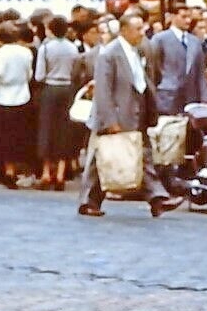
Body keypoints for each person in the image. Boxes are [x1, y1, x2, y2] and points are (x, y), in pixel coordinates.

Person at [76, 11, 184, 218]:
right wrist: (110, 120)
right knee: (102, 159)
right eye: (137, 29)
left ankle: (157, 198)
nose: (142, 33)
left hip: (137, 112)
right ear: (124, 30)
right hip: (117, 114)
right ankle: (89, 200)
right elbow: (103, 90)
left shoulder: (138, 51)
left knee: (142, 156)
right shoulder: (109, 54)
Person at [0, 23, 34, 189]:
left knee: (0, 136)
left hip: (1, 97)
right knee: (17, 136)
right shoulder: (25, 52)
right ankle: (13, 170)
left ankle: (1, 170)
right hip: (21, 96)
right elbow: (29, 75)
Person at [34, 16, 80, 190]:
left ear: (51, 30)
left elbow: (39, 75)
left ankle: (46, 173)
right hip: (67, 88)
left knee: (47, 129)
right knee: (64, 130)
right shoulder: (73, 48)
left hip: (50, 88)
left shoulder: (46, 48)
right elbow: (76, 71)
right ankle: (60, 173)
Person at [147, 3, 207, 115]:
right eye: (184, 17)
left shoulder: (195, 41)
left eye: (189, 17)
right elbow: (153, 69)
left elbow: (201, 73)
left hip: (191, 97)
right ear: (172, 16)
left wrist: (204, 99)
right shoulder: (160, 39)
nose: (188, 21)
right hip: (167, 97)